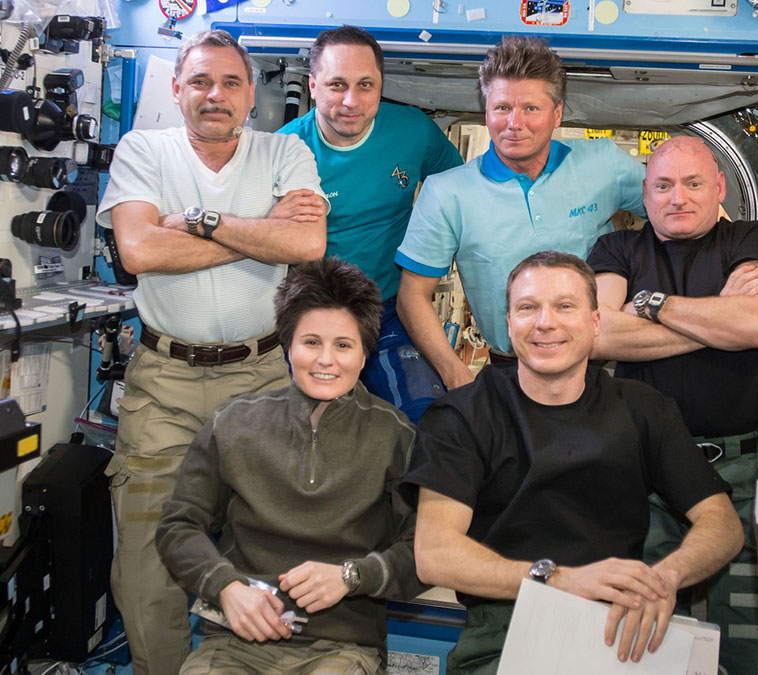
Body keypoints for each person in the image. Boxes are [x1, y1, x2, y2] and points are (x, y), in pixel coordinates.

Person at [95, 30, 328, 674]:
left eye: (230, 83)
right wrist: (263, 230)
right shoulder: (144, 149)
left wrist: (190, 221)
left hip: (263, 380)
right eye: (199, 82)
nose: (215, 95)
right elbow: (140, 252)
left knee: (271, 549)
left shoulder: (284, 150)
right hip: (163, 385)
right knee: (147, 559)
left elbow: (308, 246)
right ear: (176, 90)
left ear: (251, 94)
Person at [400, 251, 743, 675]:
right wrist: (557, 580)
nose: (546, 322)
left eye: (565, 306)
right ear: (509, 323)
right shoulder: (462, 416)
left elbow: (722, 523)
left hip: (620, 620)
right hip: (507, 624)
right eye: (527, 308)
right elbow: (435, 554)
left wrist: (666, 577)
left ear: (595, 322)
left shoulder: (641, 409)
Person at [588, 135, 758, 675]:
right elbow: (598, 336)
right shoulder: (616, 250)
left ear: (719, 187)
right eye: (662, 185)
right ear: (645, 193)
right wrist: (717, 321)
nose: (677, 196)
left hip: (741, 467)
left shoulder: (753, 239)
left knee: (751, 635)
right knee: (643, 621)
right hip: (645, 472)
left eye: (692, 183)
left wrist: (653, 305)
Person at [156, 257, 418, 675]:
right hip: (234, 645)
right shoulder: (234, 423)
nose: (325, 360)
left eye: (343, 345)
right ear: (287, 345)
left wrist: (354, 577)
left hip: (343, 648)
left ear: (366, 352)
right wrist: (223, 586)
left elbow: (423, 548)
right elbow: (178, 526)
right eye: (311, 342)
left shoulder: (395, 435)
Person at [395, 35, 646, 391]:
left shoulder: (604, 163)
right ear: (486, 111)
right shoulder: (446, 192)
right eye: (502, 108)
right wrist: (456, 375)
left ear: (557, 113)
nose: (514, 123)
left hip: (600, 364)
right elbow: (412, 297)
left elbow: (683, 212)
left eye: (531, 108)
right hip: (507, 369)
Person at [278, 25, 463, 422]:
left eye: (365, 85)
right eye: (336, 85)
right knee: (312, 428)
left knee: (426, 420)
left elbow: (461, 189)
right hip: (314, 311)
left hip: (388, 309)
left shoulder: (413, 131)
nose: (351, 101)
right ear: (312, 85)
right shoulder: (284, 149)